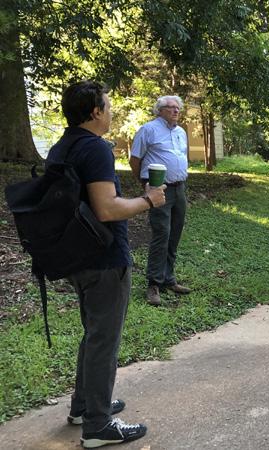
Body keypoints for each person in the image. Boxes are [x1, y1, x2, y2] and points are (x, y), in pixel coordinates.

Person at [47, 81, 166, 447]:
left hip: (75, 256)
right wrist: (149, 200)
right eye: (109, 107)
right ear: (95, 111)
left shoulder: (61, 147)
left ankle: (84, 406)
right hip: (103, 259)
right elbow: (107, 208)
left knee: (93, 334)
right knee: (104, 341)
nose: (111, 112)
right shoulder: (96, 148)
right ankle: (98, 425)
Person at [129, 95, 191, 306]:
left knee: (174, 234)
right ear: (160, 110)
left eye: (177, 107)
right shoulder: (148, 130)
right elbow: (135, 160)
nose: (175, 111)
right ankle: (154, 283)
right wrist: (144, 184)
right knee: (161, 233)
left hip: (179, 188)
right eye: (170, 107)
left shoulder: (181, 132)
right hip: (159, 189)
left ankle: (168, 279)